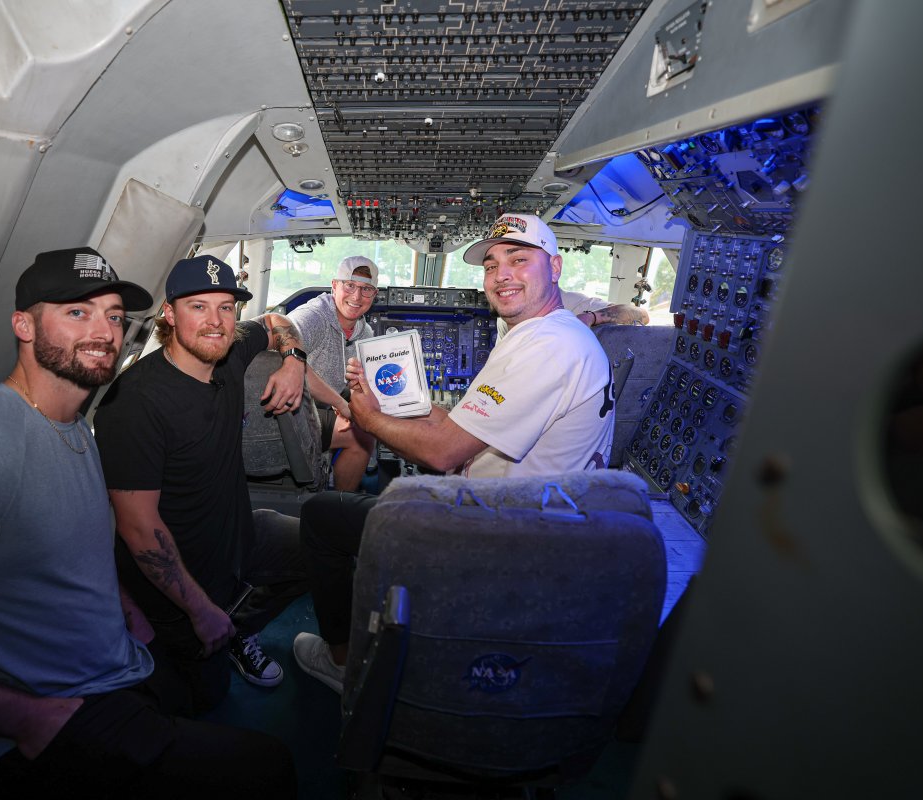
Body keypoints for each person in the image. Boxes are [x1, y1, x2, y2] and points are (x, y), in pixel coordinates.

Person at [0, 247, 297, 798]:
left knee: (199, 704)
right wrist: (24, 719)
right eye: (77, 312)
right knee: (267, 768)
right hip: (50, 713)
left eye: (114, 316)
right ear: (22, 324)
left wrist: (128, 608)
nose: (104, 332)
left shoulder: (70, 428)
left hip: (119, 662)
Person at [293, 214, 616, 692]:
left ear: (556, 267)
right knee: (384, 495)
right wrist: (396, 409)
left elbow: (444, 452)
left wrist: (368, 417)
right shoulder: (541, 335)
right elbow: (456, 426)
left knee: (323, 516)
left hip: (503, 533)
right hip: (525, 517)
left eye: (519, 260)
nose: (501, 275)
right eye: (492, 264)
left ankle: (343, 666)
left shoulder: (548, 345)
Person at [93, 255, 310, 713]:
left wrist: (294, 361)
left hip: (236, 537)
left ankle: (238, 628)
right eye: (197, 307)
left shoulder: (228, 354)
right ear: (169, 315)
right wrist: (199, 610)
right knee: (204, 701)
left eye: (226, 307)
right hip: (178, 580)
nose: (216, 322)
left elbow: (274, 321)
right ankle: (219, 629)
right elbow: (138, 528)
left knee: (321, 550)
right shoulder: (134, 403)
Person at [286, 255, 378, 491]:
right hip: (297, 407)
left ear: (374, 295)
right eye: (350, 285)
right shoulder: (314, 317)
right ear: (335, 286)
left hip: (325, 407)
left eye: (366, 289)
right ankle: (339, 507)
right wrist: (341, 403)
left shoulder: (364, 332)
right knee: (362, 438)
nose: (357, 297)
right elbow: (283, 353)